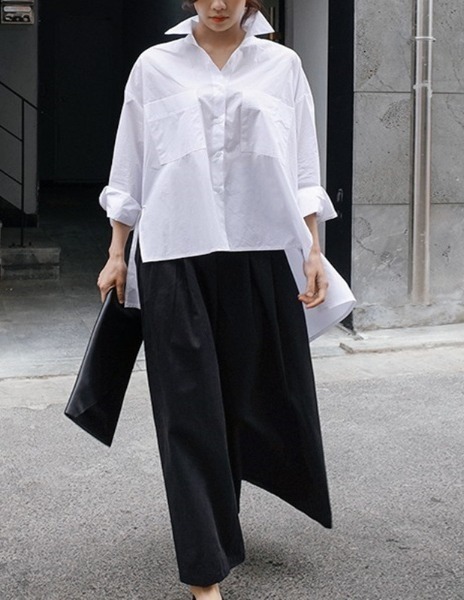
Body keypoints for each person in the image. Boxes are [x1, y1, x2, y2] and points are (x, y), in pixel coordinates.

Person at [97, 1, 354, 599]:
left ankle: (217, 524)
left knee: (244, 398)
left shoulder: (283, 66)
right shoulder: (154, 66)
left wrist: (313, 251)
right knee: (186, 409)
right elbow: (130, 164)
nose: (218, 3)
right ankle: (204, 570)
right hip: (173, 251)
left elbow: (303, 168)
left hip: (258, 251)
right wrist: (116, 251)